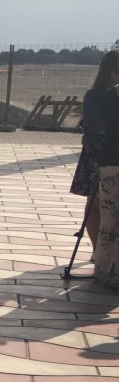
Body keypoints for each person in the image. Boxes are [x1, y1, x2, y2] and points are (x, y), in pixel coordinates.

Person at [71, 51, 119, 247]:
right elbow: (95, 123)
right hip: (98, 153)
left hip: (112, 152)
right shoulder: (94, 95)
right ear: (110, 71)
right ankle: (97, 249)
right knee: (95, 203)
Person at [91, 56, 119, 289]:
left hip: (110, 160)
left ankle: (104, 269)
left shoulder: (111, 95)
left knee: (108, 216)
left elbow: (104, 129)